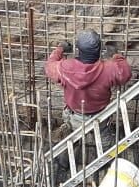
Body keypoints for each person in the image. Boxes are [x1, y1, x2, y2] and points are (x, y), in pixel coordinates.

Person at [44, 30, 132, 176]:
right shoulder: (109, 69)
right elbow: (126, 72)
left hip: (74, 116)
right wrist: (115, 55)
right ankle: (104, 165)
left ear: (78, 49)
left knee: (70, 140)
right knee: (104, 143)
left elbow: (49, 66)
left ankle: (64, 164)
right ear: (99, 50)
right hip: (100, 117)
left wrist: (60, 49)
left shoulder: (65, 67)